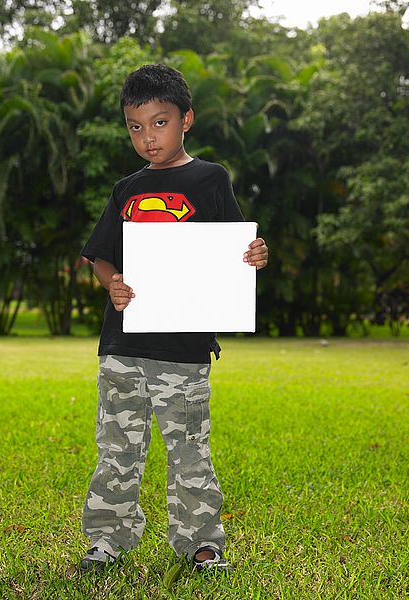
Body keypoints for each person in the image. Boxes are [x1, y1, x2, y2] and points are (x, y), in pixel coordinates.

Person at [79, 63, 268, 574]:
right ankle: (107, 541)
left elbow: (234, 246)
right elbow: (100, 256)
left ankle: (202, 544)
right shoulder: (126, 189)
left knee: (188, 450)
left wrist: (253, 254)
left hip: (183, 349)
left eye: (159, 123)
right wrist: (111, 283)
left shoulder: (209, 179)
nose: (147, 138)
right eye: (135, 127)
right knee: (117, 449)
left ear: (186, 119)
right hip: (123, 344)